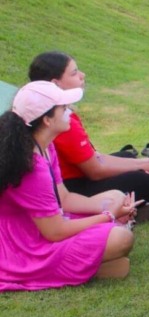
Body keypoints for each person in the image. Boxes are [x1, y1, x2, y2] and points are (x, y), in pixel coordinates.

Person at [0, 81, 136, 291]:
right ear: (46, 119)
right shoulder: (32, 167)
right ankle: (76, 268)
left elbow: (64, 199)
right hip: (25, 246)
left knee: (116, 196)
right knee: (121, 238)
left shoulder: (46, 146)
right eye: (63, 109)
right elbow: (54, 233)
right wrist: (107, 216)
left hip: (43, 225)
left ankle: (92, 264)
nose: (70, 112)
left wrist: (110, 208)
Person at [28, 52, 149, 214]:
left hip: (70, 179)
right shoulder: (60, 121)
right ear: (55, 84)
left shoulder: (52, 112)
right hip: (70, 187)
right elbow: (95, 171)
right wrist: (141, 166)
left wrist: (139, 163)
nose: (82, 75)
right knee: (144, 180)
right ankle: (136, 209)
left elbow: (94, 156)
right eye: (74, 73)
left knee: (128, 158)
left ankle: (135, 204)